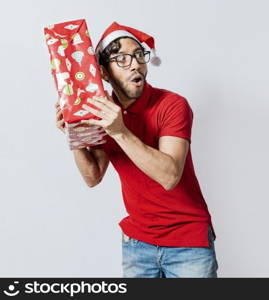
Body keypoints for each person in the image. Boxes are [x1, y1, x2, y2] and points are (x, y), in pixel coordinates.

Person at [54, 22, 218, 278]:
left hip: (188, 243)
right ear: (103, 73)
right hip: (137, 244)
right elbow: (92, 176)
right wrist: (75, 134)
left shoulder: (172, 105)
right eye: (121, 58)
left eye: (139, 55)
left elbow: (170, 175)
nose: (135, 64)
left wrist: (119, 130)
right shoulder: (103, 112)